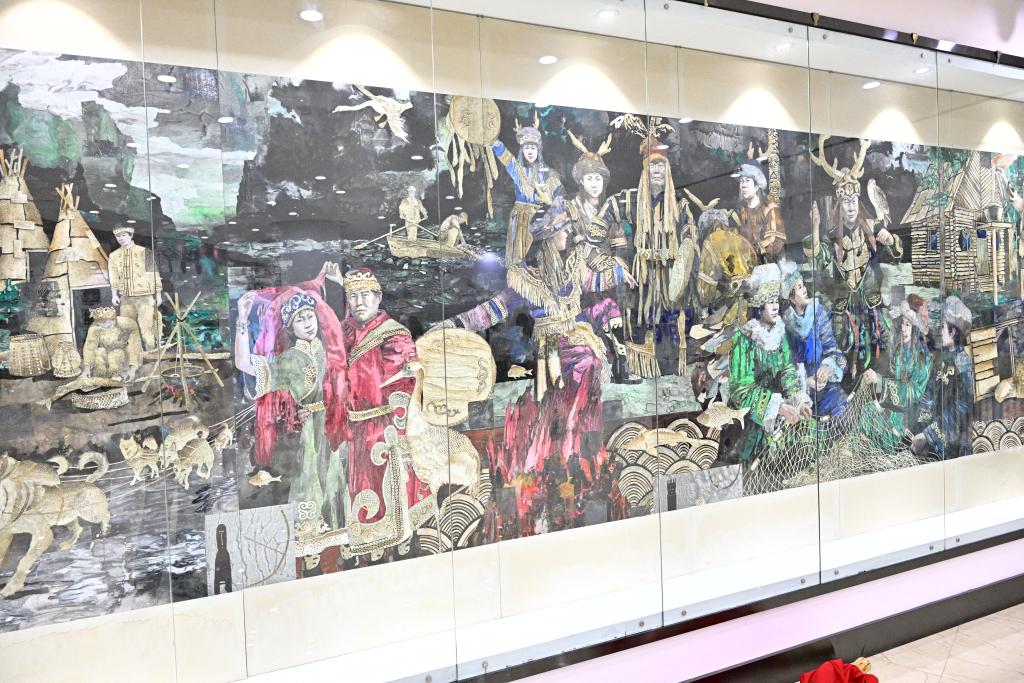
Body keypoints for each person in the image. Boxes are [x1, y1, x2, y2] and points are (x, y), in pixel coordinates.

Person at [234, 271, 350, 556]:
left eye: (310, 317)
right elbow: (244, 363)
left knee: (337, 485)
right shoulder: (287, 361)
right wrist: (242, 319)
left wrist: (343, 286)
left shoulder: (331, 351)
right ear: (290, 327)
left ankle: (339, 549)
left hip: (336, 427)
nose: (307, 323)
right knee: (310, 486)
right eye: (300, 320)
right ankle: (311, 552)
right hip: (309, 435)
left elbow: (351, 331)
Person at [334, 266, 434, 558]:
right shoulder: (343, 331)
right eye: (353, 296)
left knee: (391, 493)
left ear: (378, 298)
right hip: (352, 427)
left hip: (384, 426)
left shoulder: (394, 335)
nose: (359, 302)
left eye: (365, 295)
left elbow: (404, 385)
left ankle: (401, 549)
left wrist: (399, 428)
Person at [808, 137, 902, 381]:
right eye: (845, 201)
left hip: (870, 298)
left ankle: (880, 379)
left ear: (858, 202)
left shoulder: (870, 226)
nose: (850, 206)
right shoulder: (832, 234)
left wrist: (890, 240)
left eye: (853, 201)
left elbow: (896, 250)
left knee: (885, 336)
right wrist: (816, 229)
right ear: (839, 203)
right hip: (843, 302)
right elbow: (819, 255)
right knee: (839, 339)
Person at [727, 263, 812, 463]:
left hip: (779, 415)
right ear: (759, 306)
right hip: (749, 418)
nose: (775, 307)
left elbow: (787, 370)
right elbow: (741, 390)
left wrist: (797, 400)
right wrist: (777, 406)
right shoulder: (744, 338)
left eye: (776, 301)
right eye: (769, 302)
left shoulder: (779, 333)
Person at [491, 120, 563, 265]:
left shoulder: (548, 173)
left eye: (533, 148)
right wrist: (495, 142)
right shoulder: (518, 170)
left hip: (542, 218)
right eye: (527, 148)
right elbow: (506, 157)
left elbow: (558, 199)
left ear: (538, 150)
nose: (530, 151)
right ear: (522, 150)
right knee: (521, 256)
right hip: (522, 218)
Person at [781, 264, 847, 417]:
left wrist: (827, 368)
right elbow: (785, 367)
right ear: (791, 298)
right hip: (799, 393)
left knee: (841, 409)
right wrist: (805, 381)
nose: (805, 290)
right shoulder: (785, 325)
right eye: (799, 288)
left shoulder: (818, 312)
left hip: (826, 389)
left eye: (803, 285)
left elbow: (832, 348)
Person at [863, 300, 932, 447]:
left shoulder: (923, 358)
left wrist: (880, 380)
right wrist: (876, 379)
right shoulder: (899, 352)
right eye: (902, 324)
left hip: (912, 415)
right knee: (868, 411)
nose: (903, 329)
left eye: (908, 325)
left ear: (916, 329)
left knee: (884, 428)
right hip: (896, 406)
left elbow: (914, 394)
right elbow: (892, 378)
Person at [913, 296, 974, 458]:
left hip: (953, 441)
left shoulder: (963, 364)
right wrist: (920, 427)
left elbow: (960, 411)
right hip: (933, 431)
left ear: (953, 332)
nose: (939, 331)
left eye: (943, 327)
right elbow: (929, 393)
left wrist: (928, 434)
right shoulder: (941, 358)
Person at [108, 223, 162, 350]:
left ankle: (152, 355)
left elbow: (153, 273)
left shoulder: (145, 252)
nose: (121, 238)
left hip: (145, 297)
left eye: (123, 235)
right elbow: (113, 276)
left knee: (146, 330)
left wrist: (158, 294)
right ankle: (135, 358)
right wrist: (114, 294)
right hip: (126, 298)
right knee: (127, 330)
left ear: (131, 235)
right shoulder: (114, 255)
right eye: (118, 236)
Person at [731, 157, 785, 261]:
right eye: (741, 181)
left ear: (756, 186)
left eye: (747, 181)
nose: (743, 185)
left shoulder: (769, 208)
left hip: (769, 263)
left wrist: (754, 251)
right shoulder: (740, 210)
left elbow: (775, 240)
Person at [81, 305, 142, 381]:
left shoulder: (128, 324)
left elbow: (135, 346)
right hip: (106, 354)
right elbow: (90, 347)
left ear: (113, 320)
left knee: (115, 355)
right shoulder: (95, 327)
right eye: (99, 323)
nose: (101, 325)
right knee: (99, 353)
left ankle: (117, 375)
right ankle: (101, 376)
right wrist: (87, 368)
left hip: (123, 357)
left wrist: (133, 369)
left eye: (105, 323)